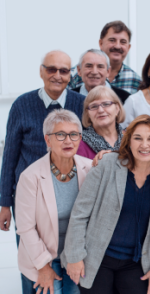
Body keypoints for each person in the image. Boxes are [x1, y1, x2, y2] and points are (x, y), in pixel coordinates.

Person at [0, 50, 85, 294]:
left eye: (64, 70)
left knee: (70, 264)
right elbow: (10, 155)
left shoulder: (80, 105)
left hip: (69, 193)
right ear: (41, 71)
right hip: (29, 198)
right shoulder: (22, 105)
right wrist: (5, 202)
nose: (57, 75)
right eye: (51, 69)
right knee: (34, 265)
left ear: (71, 75)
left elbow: (88, 145)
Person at [61, 115, 150, 293]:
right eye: (138, 138)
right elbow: (80, 214)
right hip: (96, 258)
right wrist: (74, 257)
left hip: (136, 262)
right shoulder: (107, 164)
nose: (144, 145)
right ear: (128, 141)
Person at [15, 109, 92, 294]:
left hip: (78, 254)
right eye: (60, 135)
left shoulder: (90, 169)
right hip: (44, 256)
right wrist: (43, 267)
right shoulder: (30, 177)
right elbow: (25, 228)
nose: (68, 140)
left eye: (74, 134)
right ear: (47, 140)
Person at [68, 21, 141, 94]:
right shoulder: (73, 74)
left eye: (123, 42)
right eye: (112, 40)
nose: (117, 46)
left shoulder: (136, 81)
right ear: (101, 43)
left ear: (128, 47)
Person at [77, 86, 126, 159]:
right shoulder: (79, 144)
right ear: (88, 113)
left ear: (117, 108)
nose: (100, 110)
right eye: (94, 106)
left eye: (106, 104)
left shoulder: (130, 138)